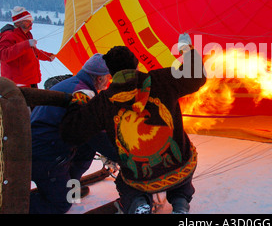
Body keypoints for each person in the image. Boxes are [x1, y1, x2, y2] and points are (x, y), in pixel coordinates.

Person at [60, 35, 206, 214]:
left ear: (111, 74)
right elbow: (196, 74)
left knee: (125, 182)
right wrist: (186, 49)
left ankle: (138, 203)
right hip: (179, 167)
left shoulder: (103, 102)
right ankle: (181, 202)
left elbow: (71, 132)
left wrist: (79, 101)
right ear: (137, 65)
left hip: (140, 178)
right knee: (181, 170)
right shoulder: (162, 80)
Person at [30, 53, 116, 214]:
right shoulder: (82, 94)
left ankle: (68, 182)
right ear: (99, 78)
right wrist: (124, 157)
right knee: (61, 204)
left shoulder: (74, 84)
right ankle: (14, 206)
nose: (109, 81)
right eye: (108, 77)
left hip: (44, 145)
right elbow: (96, 135)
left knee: (86, 147)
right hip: (45, 156)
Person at [0, 6, 55, 88]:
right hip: (17, 84)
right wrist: (26, 44)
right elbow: (3, 55)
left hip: (30, 81)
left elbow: (32, 51)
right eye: (27, 21)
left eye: (31, 21)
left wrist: (48, 56)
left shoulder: (26, 34)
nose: (31, 23)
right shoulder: (8, 35)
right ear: (18, 22)